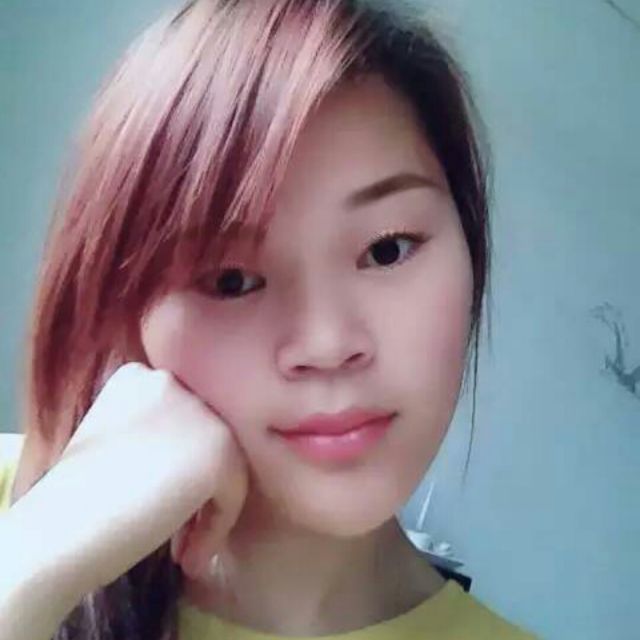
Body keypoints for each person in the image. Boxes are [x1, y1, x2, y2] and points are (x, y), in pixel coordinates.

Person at [0, 0, 539, 638]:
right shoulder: (26, 516)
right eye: (231, 281)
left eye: (387, 249)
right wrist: (37, 560)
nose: (328, 344)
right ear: (124, 312)